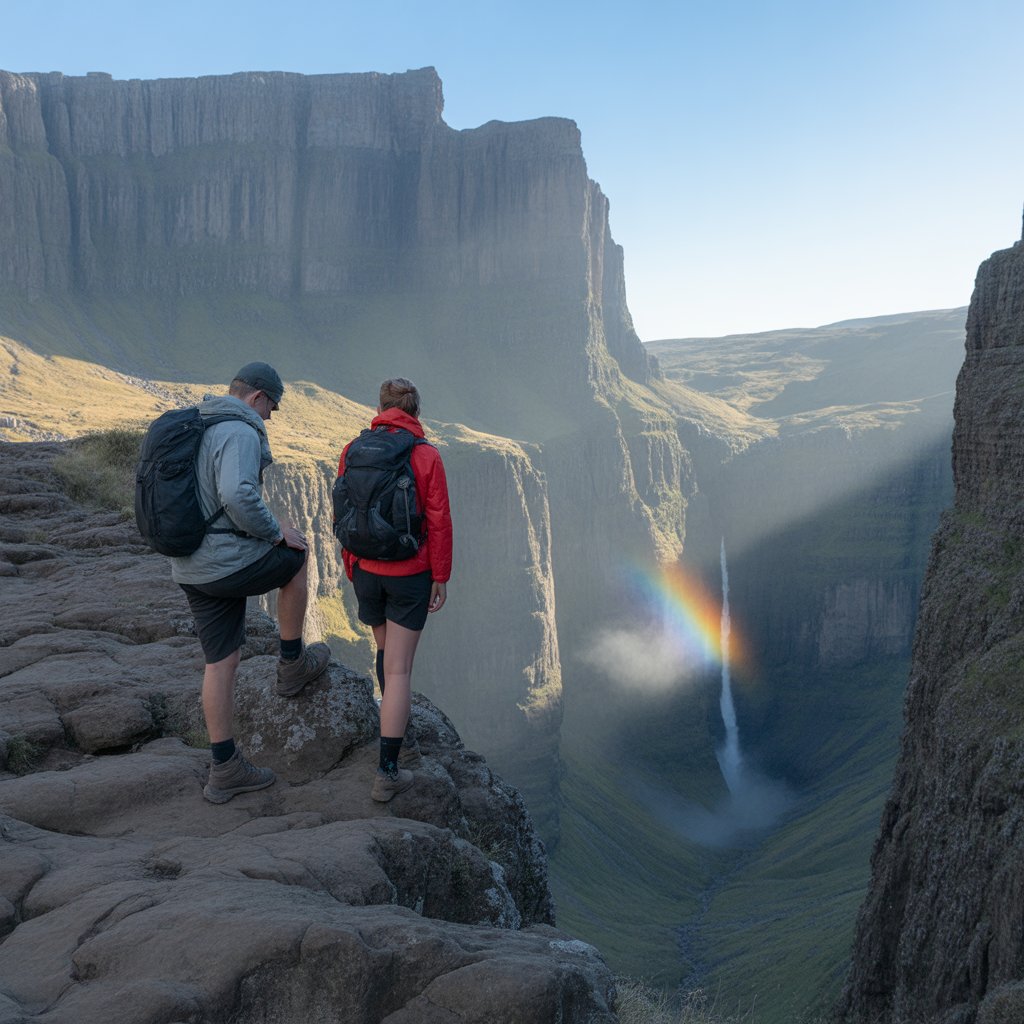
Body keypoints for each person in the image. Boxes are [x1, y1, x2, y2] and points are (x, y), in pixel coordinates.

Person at [172, 361, 330, 803]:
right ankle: (292, 665)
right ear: (257, 398)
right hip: (223, 565)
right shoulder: (239, 429)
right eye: (272, 408)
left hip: (190, 566)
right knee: (297, 557)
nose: (270, 418)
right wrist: (277, 531)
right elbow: (238, 495)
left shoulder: (198, 424)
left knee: (220, 662)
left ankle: (223, 768)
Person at [337, 378, 452, 802]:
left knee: (386, 657)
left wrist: (352, 564)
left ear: (381, 407)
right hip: (409, 574)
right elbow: (438, 519)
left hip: (367, 571)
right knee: (400, 669)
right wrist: (440, 575)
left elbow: (346, 510)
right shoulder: (425, 456)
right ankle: (388, 772)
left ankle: (390, 722)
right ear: (415, 412)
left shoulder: (352, 451)